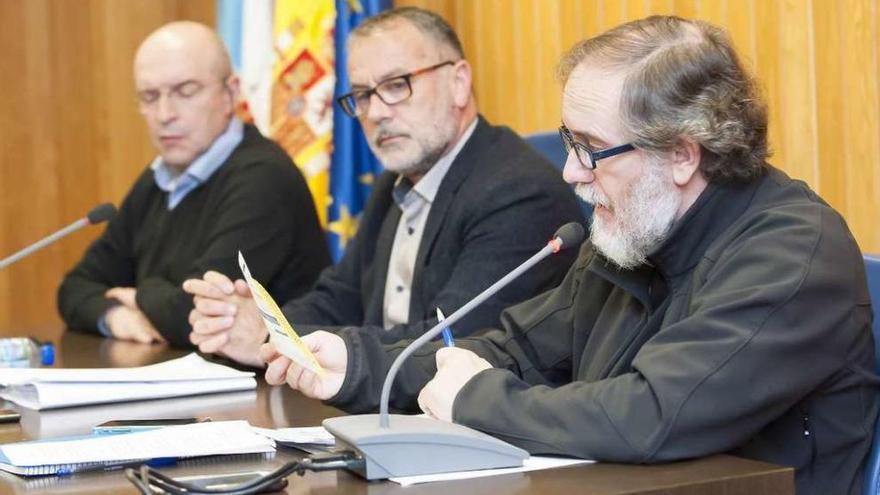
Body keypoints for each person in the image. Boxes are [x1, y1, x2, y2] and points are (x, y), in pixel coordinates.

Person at [259, 15, 880, 495]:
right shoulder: (631, 228)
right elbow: (513, 350)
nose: (570, 172)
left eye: (591, 149)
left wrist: (475, 400)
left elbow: (651, 413)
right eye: (567, 142)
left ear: (683, 156)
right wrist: (358, 366)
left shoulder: (793, 254)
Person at [183, 7, 583, 367]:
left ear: (459, 82)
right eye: (362, 95)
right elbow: (339, 299)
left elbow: (447, 345)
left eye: (397, 85)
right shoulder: (395, 182)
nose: (375, 113)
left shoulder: (517, 192)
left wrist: (275, 340)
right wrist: (254, 320)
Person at [57, 21, 331, 348]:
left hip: (276, 391)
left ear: (230, 93)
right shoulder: (158, 179)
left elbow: (199, 316)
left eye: (185, 91)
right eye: (149, 96)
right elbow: (75, 286)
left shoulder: (264, 178)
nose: (164, 114)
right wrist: (116, 315)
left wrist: (140, 294)